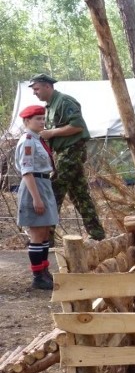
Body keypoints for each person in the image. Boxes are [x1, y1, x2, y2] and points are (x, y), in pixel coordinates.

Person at [29, 74, 106, 242]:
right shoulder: (50, 106)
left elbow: (78, 126)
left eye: (36, 89)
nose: (35, 93)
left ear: (47, 86)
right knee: (79, 194)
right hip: (63, 152)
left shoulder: (64, 101)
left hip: (72, 151)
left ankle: (44, 238)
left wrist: (52, 133)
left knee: (54, 191)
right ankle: (98, 234)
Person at [15, 105, 59, 291]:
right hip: (34, 186)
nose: (42, 121)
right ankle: (37, 276)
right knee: (37, 233)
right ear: (26, 121)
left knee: (45, 232)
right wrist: (36, 199)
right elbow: (27, 171)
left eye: (43, 118)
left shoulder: (38, 139)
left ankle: (44, 271)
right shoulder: (28, 141)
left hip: (44, 184)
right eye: (37, 119)